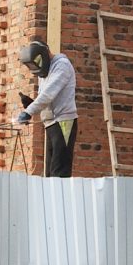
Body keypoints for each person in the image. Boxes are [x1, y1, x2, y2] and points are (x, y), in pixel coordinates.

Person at [16, 40, 78, 177]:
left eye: (37, 61)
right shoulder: (45, 71)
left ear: (44, 54)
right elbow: (46, 99)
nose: (36, 67)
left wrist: (29, 111)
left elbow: (49, 93)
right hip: (51, 123)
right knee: (50, 173)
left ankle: (59, 198)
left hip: (63, 122)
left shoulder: (62, 66)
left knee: (59, 171)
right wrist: (30, 103)